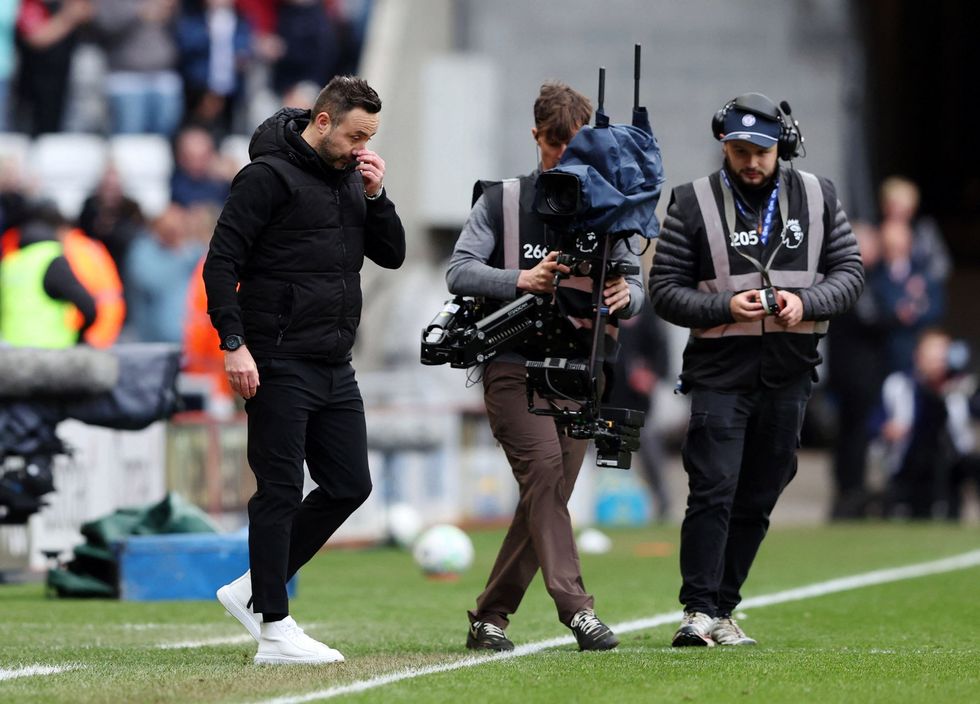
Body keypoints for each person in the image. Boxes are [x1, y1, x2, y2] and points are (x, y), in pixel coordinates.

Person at [203, 75, 405, 665]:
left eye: (370, 136)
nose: (362, 146)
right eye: (355, 134)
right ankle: (274, 627)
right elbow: (221, 262)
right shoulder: (265, 178)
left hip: (333, 359)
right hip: (275, 357)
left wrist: (377, 193)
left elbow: (390, 253)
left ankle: (250, 589)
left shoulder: (352, 178)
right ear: (323, 122)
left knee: (350, 484)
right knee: (280, 489)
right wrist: (234, 343)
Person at [649, 92, 863, 647]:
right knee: (713, 485)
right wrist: (724, 307)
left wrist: (807, 303)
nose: (750, 162)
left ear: (782, 147)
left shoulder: (818, 196)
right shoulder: (692, 203)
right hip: (720, 371)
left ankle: (722, 608)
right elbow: (665, 292)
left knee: (761, 491)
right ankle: (697, 609)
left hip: (790, 373)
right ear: (724, 146)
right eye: (739, 150)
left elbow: (850, 272)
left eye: (761, 152)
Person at [446, 81, 645, 653]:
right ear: (536, 137)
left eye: (577, 146)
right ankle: (578, 610)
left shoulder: (612, 207)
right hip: (513, 362)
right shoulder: (502, 201)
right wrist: (520, 280)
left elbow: (635, 283)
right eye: (557, 145)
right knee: (544, 480)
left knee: (546, 494)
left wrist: (625, 296)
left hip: (583, 370)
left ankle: (489, 618)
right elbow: (458, 270)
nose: (566, 156)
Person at [0, 203, 96, 348]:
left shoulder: (11, 262)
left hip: (10, 352)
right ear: (57, 229)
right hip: (49, 353)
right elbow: (88, 308)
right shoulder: (51, 258)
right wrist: (79, 337)